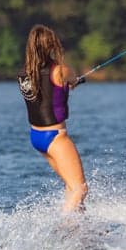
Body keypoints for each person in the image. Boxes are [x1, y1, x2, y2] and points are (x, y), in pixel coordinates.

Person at [18, 24, 88, 213]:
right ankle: (63, 229)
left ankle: (80, 229)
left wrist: (64, 87)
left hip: (37, 138)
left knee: (70, 185)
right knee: (80, 189)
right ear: (50, 46)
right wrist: (74, 82)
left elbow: (47, 92)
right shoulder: (60, 71)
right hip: (56, 137)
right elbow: (71, 78)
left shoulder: (24, 74)